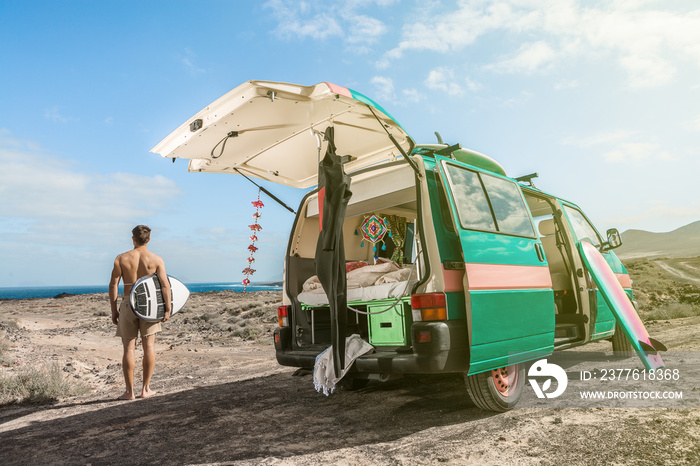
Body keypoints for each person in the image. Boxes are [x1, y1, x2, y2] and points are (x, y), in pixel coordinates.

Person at [109, 225, 171, 400]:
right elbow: (165, 285)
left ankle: (129, 392)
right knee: (149, 346)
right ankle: (146, 389)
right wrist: (167, 308)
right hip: (149, 305)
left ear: (133, 239)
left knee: (128, 348)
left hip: (128, 303)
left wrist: (114, 310)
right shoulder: (156, 259)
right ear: (149, 239)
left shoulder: (121, 258)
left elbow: (113, 285)